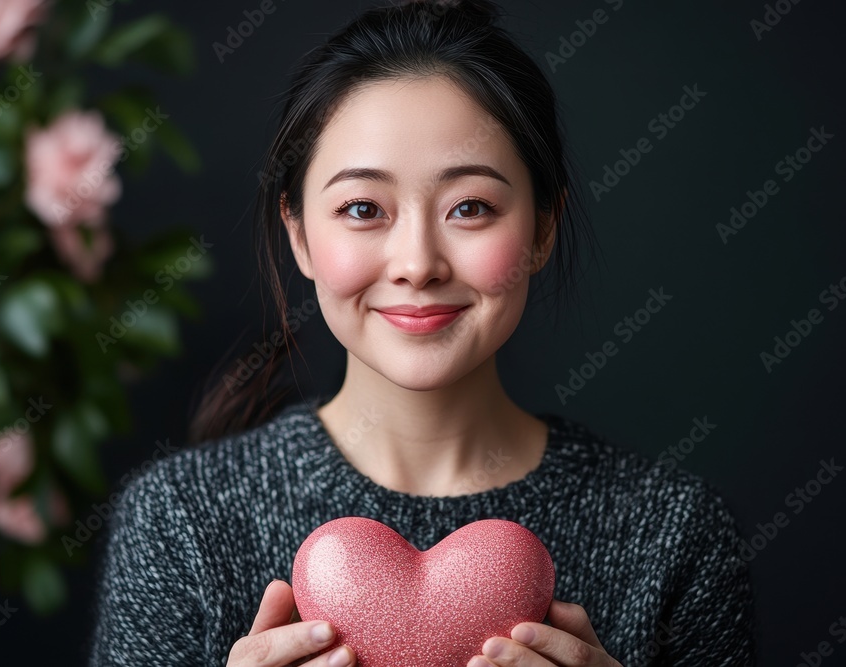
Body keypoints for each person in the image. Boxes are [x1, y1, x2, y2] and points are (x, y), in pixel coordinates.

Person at [88, 1, 758, 665]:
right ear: (298, 232)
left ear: (543, 228)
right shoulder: (178, 520)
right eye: (362, 208)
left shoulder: (673, 532)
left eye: (470, 207)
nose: (417, 264)